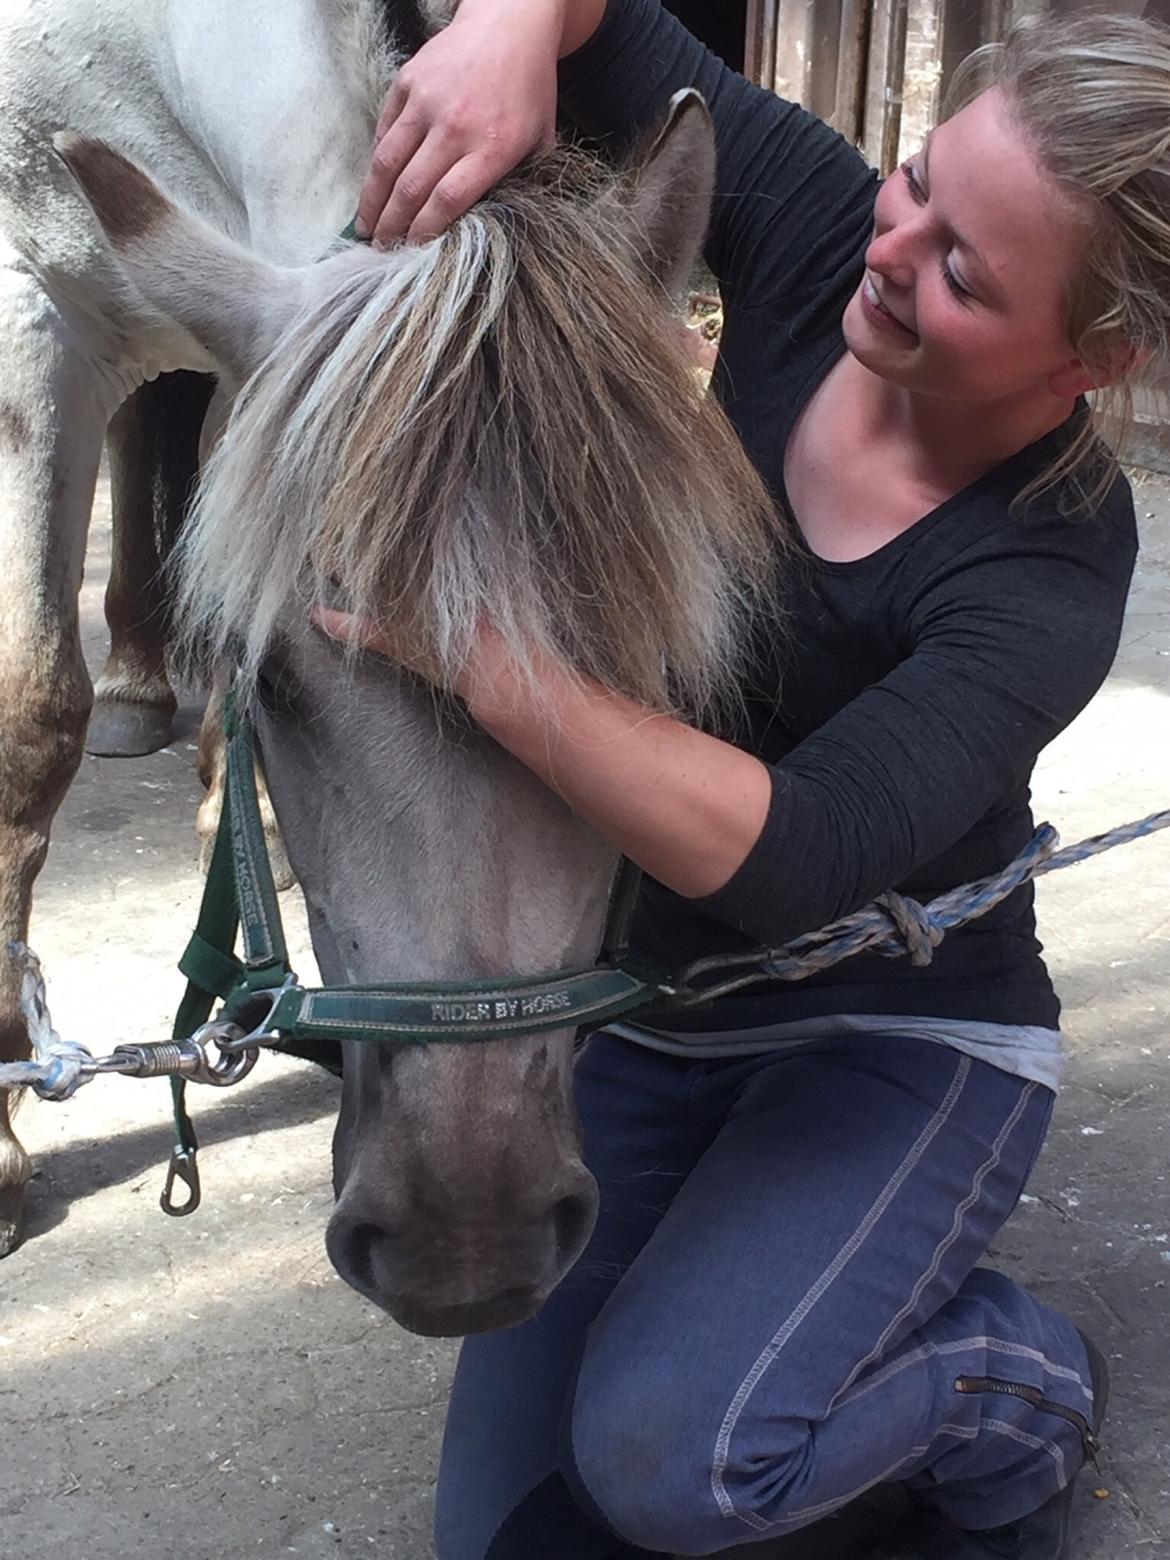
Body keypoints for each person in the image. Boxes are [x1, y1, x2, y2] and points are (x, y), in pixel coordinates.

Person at [319, 2, 1170, 1555]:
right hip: (659, 1017)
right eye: (916, 181)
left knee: (675, 1473)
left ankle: (1013, 1382)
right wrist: (511, 29)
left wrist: (485, 658)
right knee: (503, 1535)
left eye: (964, 271)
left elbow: (799, 850)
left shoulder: (1051, 564)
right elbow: (605, 26)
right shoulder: (824, 242)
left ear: (1093, 357)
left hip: (896, 1032)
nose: (890, 247)